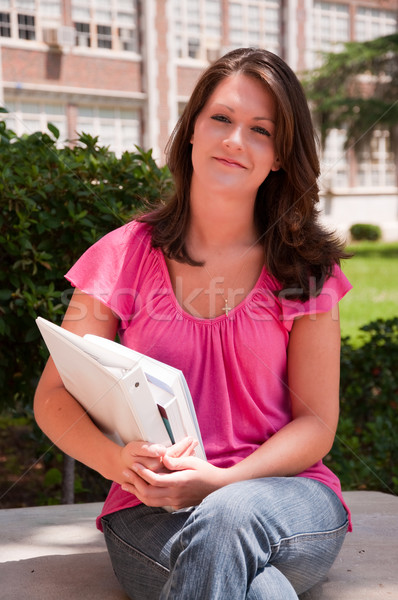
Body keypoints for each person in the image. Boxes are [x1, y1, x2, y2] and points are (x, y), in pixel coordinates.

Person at [34, 47, 352, 600]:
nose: (234, 140)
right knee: (261, 592)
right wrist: (118, 463)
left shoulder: (306, 271)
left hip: (286, 501)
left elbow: (317, 423)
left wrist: (224, 482)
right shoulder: (125, 254)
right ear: (191, 132)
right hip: (151, 512)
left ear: (279, 155)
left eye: (260, 130)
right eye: (222, 119)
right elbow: (53, 396)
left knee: (231, 513)